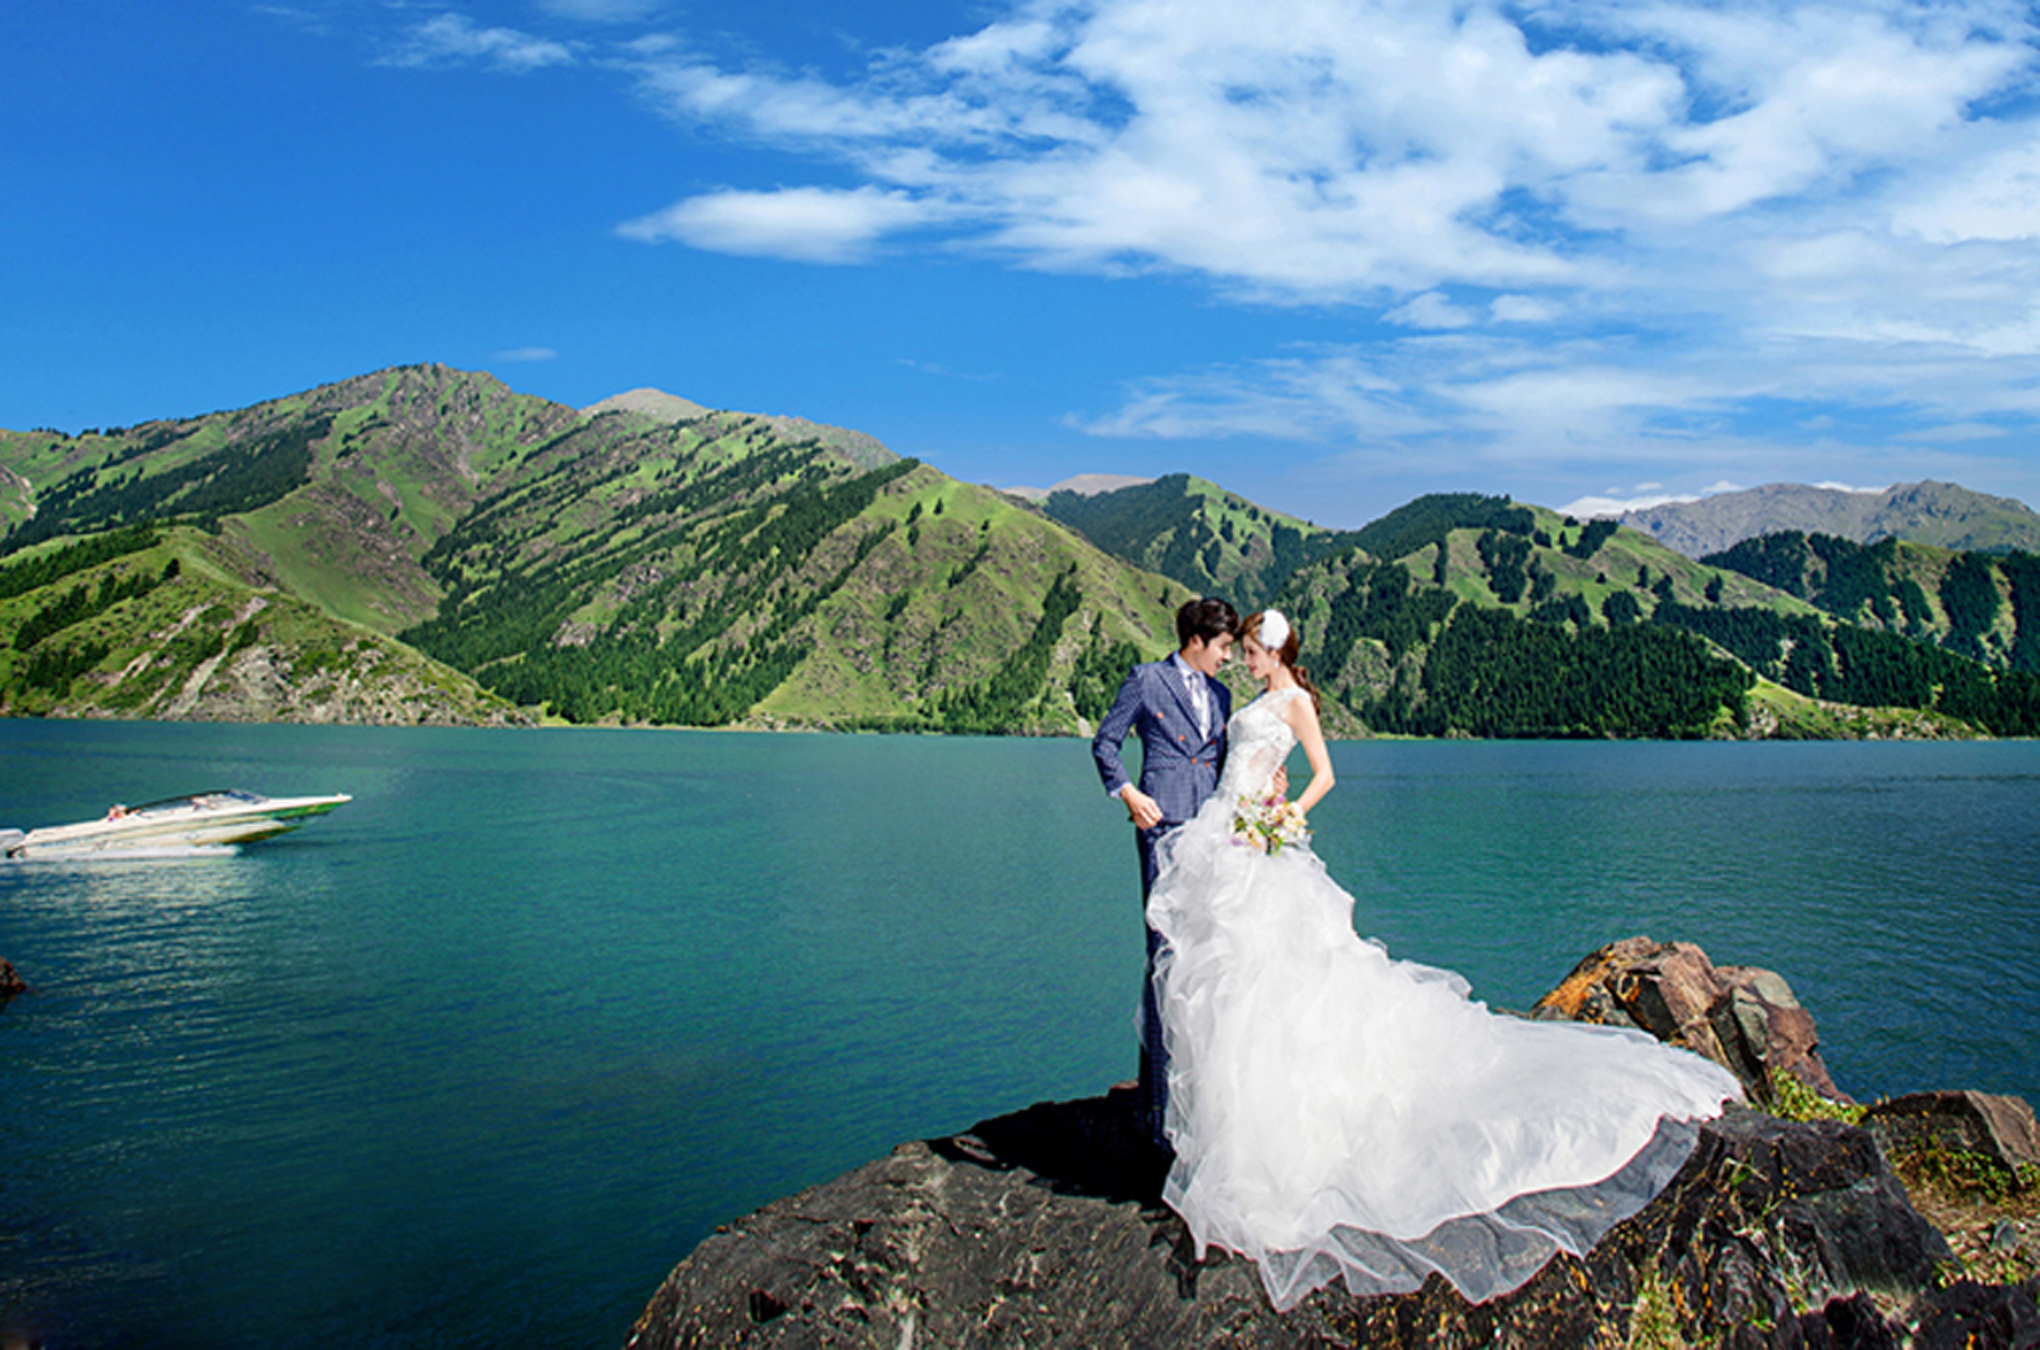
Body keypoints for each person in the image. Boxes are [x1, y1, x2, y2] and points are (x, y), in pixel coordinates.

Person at [1145, 609, 1742, 1311]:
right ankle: (1227, 1135)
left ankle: (1268, 1138)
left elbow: (1325, 775)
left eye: (1249, 650)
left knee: (1276, 984)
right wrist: (1259, 803)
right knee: (1223, 984)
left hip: (1260, 844)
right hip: (1224, 836)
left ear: (1271, 650)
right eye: (1239, 651)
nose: (1243, 660)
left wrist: (1285, 816)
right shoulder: (1249, 701)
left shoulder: (1297, 700)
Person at [1091, 596, 1240, 1150]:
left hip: (1213, 838)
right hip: (1161, 832)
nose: (1229, 658)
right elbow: (1105, 743)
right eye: (1224, 647)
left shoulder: (1222, 694)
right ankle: (1156, 1109)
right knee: (1164, 957)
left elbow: (1224, 765)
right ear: (1197, 640)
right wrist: (1128, 793)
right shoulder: (1147, 680)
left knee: (1208, 959)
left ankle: (1199, 1099)